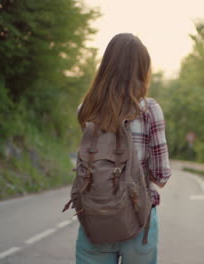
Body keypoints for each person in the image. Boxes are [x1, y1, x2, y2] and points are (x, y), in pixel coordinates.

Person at [75, 33, 171, 264]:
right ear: (142, 69)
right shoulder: (149, 110)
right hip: (138, 219)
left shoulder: (86, 110)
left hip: (95, 216)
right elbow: (161, 176)